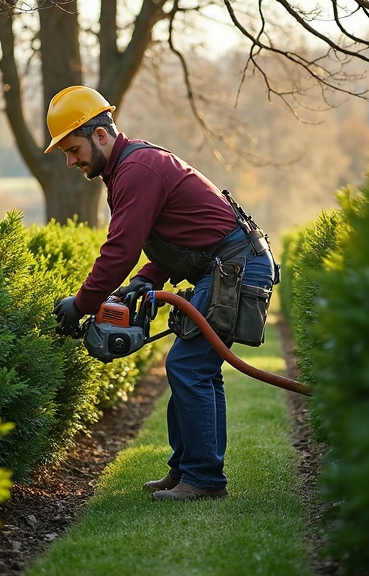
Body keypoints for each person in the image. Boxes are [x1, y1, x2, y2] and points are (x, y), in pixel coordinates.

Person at [47, 85, 278, 502]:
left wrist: (80, 304)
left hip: (235, 267)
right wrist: (147, 279)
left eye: (73, 148)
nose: (70, 161)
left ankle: (204, 480)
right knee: (194, 367)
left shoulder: (136, 169)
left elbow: (120, 251)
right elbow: (177, 236)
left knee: (190, 366)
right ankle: (186, 470)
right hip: (225, 263)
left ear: (100, 135)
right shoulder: (127, 169)